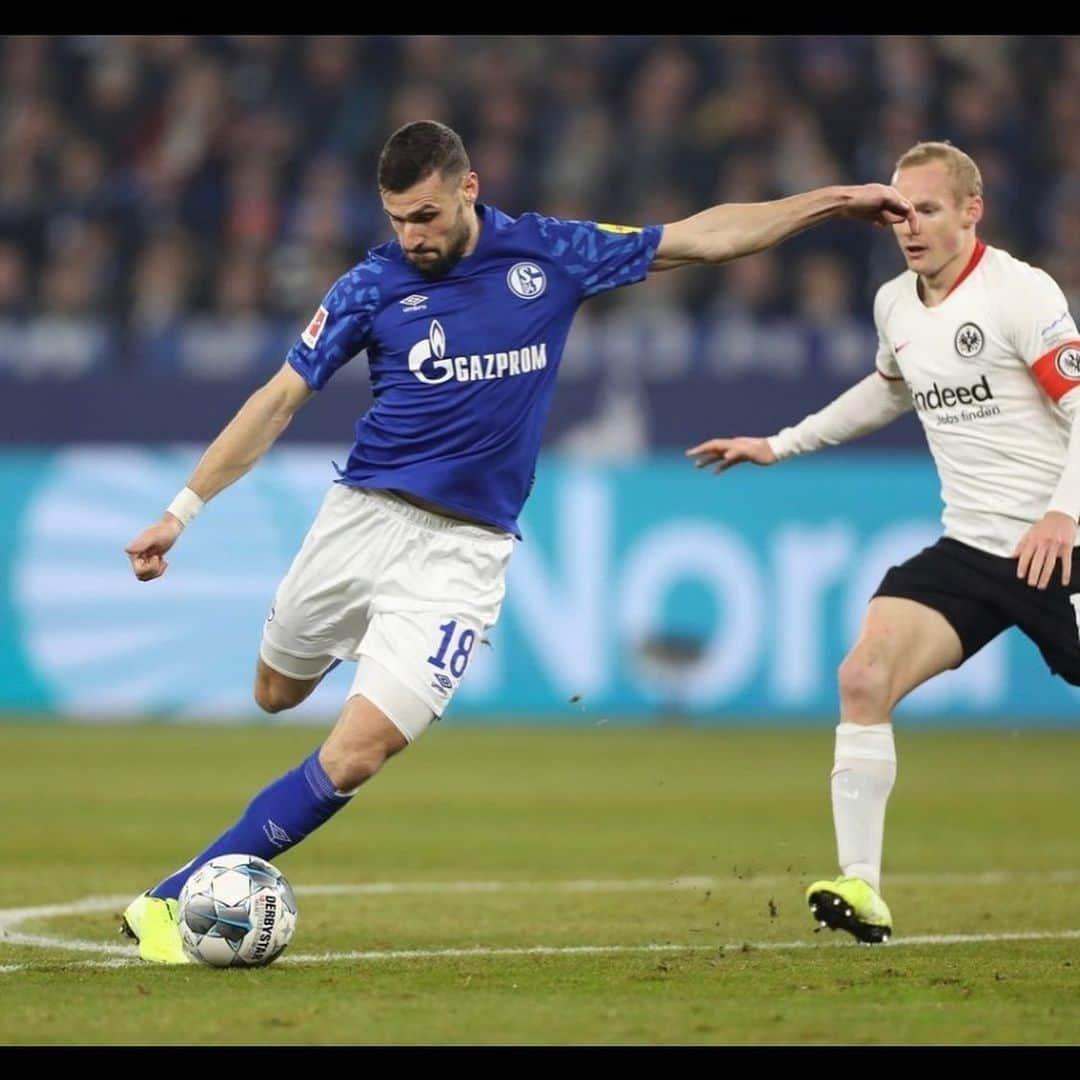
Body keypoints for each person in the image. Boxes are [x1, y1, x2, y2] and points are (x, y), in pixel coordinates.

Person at [121, 120, 916, 963]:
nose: (411, 237)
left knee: (355, 755)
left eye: (424, 216)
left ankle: (169, 901)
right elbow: (278, 399)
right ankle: (335, 666)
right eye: (397, 219)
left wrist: (834, 201)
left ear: (469, 189)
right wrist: (183, 510)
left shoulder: (550, 255)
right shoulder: (371, 286)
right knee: (275, 693)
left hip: (463, 557)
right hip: (359, 525)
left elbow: (704, 238)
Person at [687, 141, 1080, 944]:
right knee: (863, 676)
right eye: (899, 210)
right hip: (970, 549)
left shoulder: (1019, 293)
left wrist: (1063, 514)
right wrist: (780, 443)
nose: (910, 226)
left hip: (1061, 539)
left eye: (929, 209)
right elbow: (888, 389)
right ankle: (862, 887)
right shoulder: (895, 304)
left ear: (973, 211)